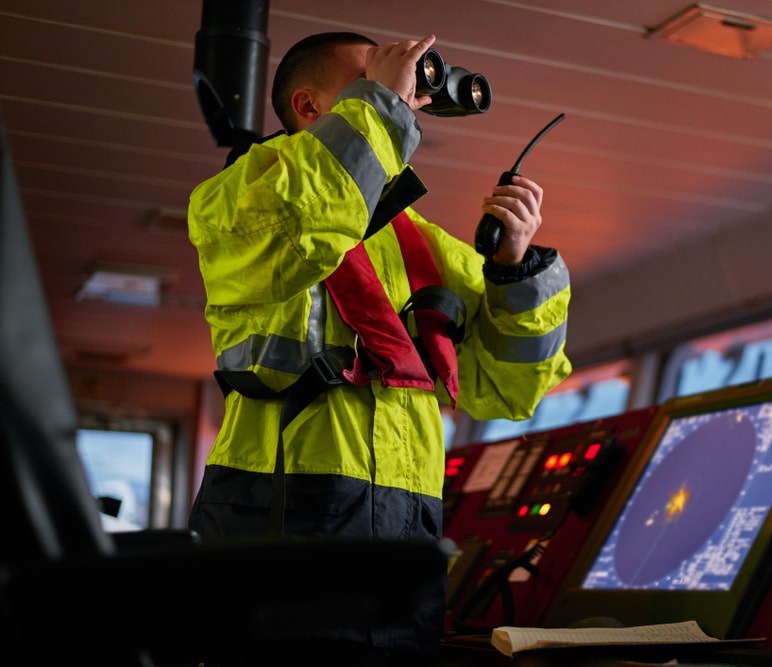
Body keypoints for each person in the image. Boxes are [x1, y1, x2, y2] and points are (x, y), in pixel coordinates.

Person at [186, 31, 572, 661]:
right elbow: (307, 222)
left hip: (406, 523)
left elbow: (508, 387)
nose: (402, 86)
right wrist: (382, 105)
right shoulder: (240, 198)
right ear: (310, 108)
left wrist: (513, 270)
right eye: (374, 76)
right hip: (281, 509)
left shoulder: (422, 244)